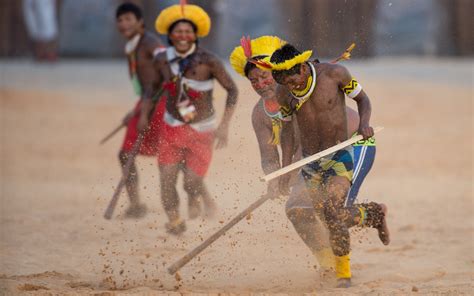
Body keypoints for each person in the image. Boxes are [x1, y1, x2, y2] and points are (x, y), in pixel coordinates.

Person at [230, 36, 379, 276]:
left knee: (333, 212)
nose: (261, 84)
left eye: (265, 76)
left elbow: (308, 143)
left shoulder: (303, 87)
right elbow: (269, 155)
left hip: (350, 146)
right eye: (253, 80)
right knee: (297, 210)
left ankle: (372, 216)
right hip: (312, 159)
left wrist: (290, 174)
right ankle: (328, 265)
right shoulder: (261, 114)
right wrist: (275, 179)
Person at [153, 3, 238, 234]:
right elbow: (153, 92)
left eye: (187, 31)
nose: (183, 36)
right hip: (172, 128)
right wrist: (143, 118)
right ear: (170, 35)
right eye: (178, 31)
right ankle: (174, 222)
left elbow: (233, 90)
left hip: (202, 130)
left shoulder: (208, 61)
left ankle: (198, 198)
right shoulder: (161, 60)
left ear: (196, 34)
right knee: (167, 179)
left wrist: (224, 126)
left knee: (191, 181)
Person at [115, 2, 166, 218]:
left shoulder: (150, 44)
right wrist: (136, 111)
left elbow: (163, 78)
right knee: (126, 154)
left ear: (140, 22)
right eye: (120, 20)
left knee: (169, 157)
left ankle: (199, 198)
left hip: (160, 102)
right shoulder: (136, 45)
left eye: (128, 19)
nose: (124, 23)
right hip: (148, 101)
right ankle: (136, 205)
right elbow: (147, 84)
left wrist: (144, 113)